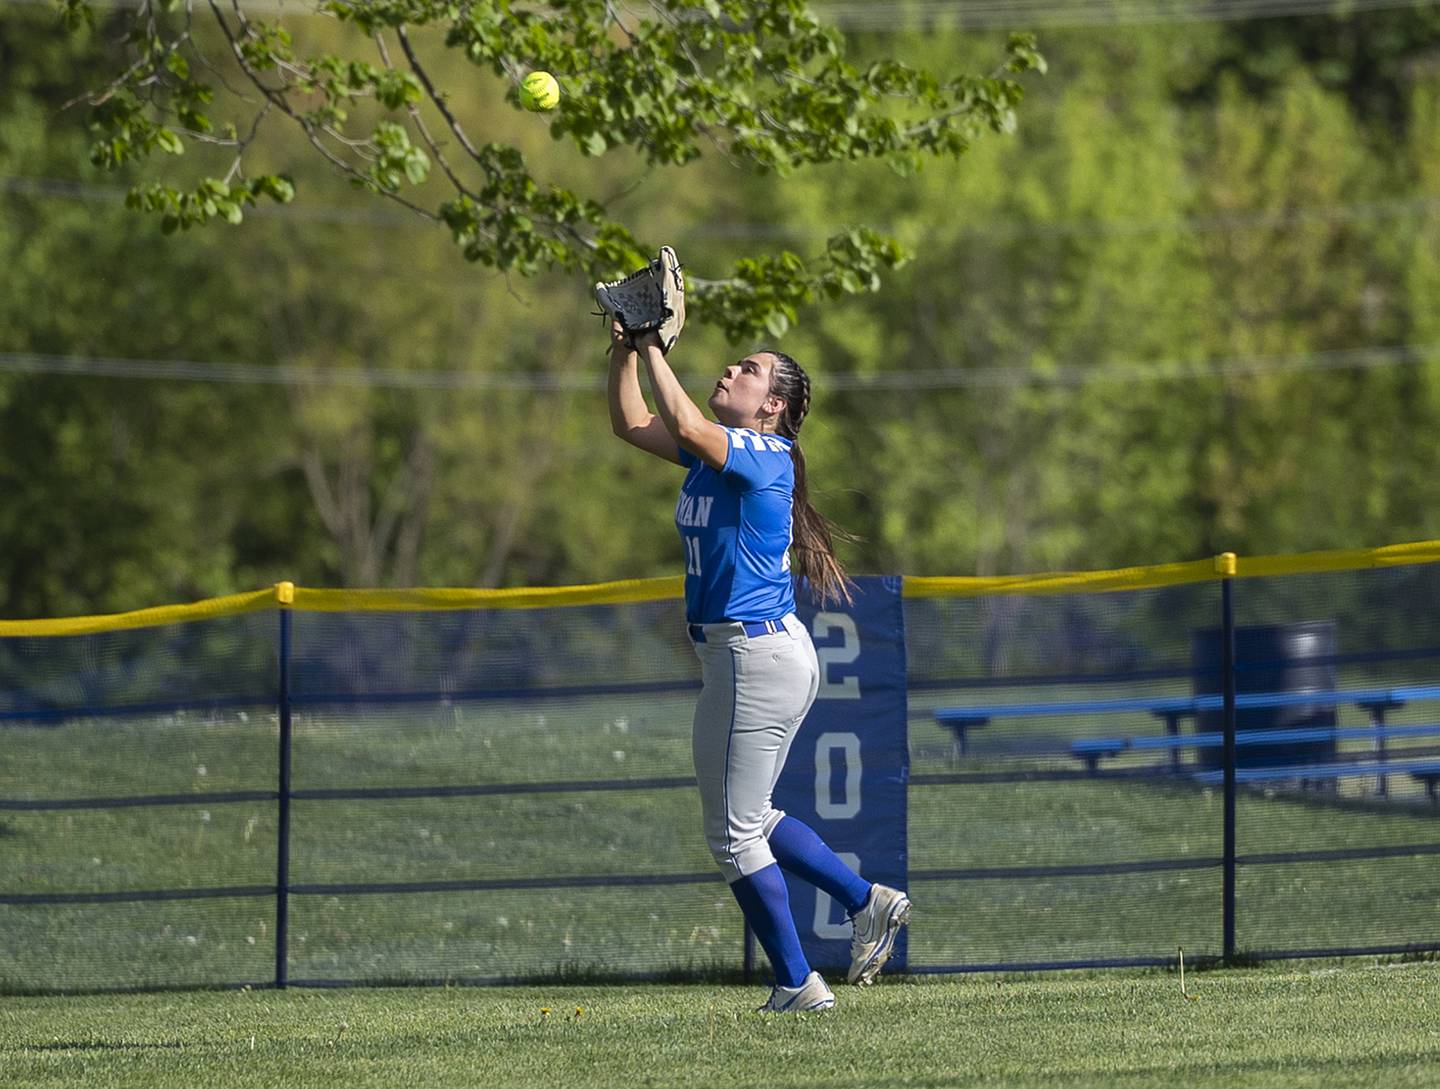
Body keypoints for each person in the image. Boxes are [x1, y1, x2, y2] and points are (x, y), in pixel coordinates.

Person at [606, 318, 911, 1013]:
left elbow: (682, 421)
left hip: (754, 654)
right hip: (752, 654)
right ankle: (869, 901)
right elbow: (632, 422)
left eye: (748, 370)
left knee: (732, 833)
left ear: (773, 405)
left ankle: (798, 983)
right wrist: (626, 346)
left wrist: (655, 343)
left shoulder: (764, 453)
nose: (731, 371)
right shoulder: (720, 454)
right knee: (755, 817)